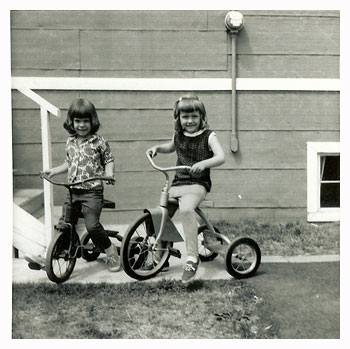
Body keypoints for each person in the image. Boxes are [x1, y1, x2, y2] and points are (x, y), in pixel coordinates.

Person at [147, 95, 225, 284]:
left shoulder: (209, 136)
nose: (189, 121)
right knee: (161, 213)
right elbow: (170, 146)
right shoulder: (179, 135)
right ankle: (160, 255)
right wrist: (158, 148)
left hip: (197, 184)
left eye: (194, 117)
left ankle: (192, 257)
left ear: (202, 117)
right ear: (178, 118)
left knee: (187, 209)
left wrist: (204, 163)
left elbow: (220, 156)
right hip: (179, 181)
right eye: (185, 117)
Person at [41, 98, 121, 272]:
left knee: (92, 226)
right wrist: (53, 171)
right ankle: (56, 251)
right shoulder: (70, 141)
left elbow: (109, 160)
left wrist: (109, 173)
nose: (82, 125)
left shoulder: (98, 142)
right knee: (65, 223)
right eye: (78, 121)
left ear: (93, 121)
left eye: (86, 121)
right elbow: (69, 163)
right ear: (71, 122)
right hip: (73, 190)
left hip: (92, 191)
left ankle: (110, 250)